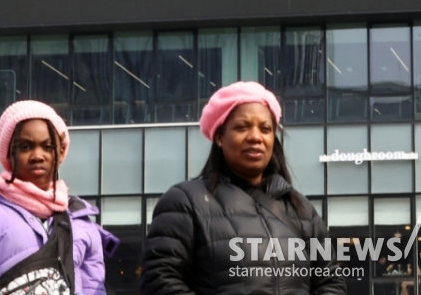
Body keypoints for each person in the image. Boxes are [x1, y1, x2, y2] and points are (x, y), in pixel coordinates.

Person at [141, 81, 343, 295]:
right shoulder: (184, 202)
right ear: (219, 137)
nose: (255, 137)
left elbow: (330, 281)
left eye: (265, 129)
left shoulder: (301, 209)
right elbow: (160, 281)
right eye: (242, 127)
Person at [0, 100, 118, 295]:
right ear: (8, 153)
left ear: (61, 152)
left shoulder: (82, 223)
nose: (38, 155)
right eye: (26, 147)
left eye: (47, 147)